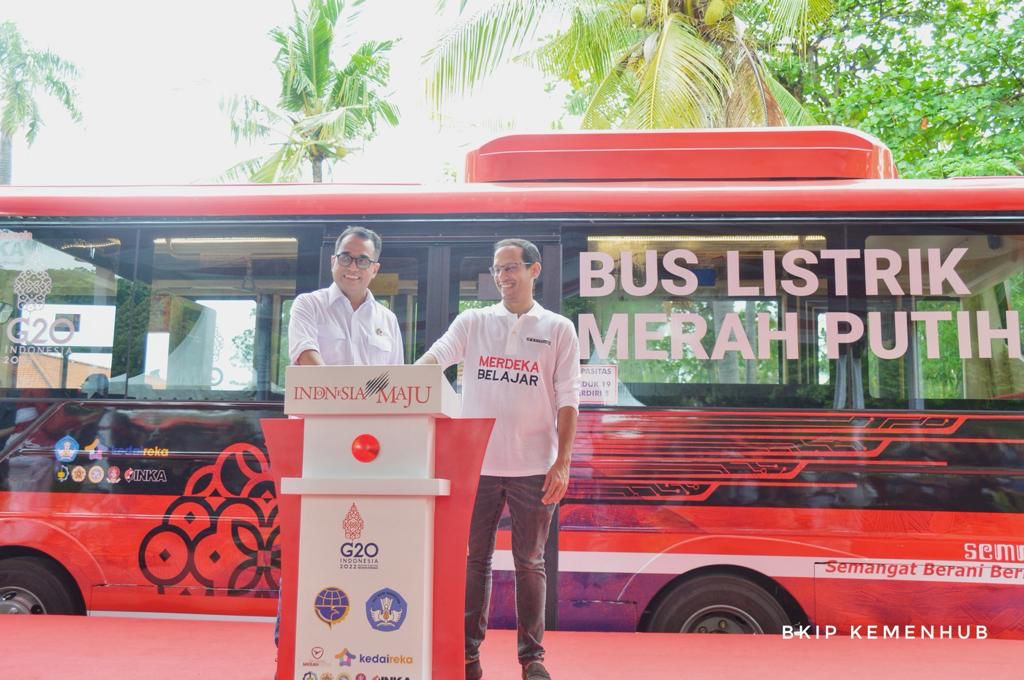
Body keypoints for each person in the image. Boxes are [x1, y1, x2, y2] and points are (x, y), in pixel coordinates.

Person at [416, 238, 580, 680]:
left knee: (530, 562)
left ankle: (533, 659)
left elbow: (568, 400)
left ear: (534, 270)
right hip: (477, 465)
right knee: (475, 560)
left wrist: (562, 462)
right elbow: (436, 359)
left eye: (511, 268)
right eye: (497, 269)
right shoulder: (473, 322)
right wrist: (398, 383)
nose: (503, 277)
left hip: (534, 467)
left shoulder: (559, 328)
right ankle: (469, 656)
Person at [275, 225, 404, 646]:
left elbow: (396, 384)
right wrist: (362, 394)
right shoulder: (308, 305)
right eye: (346, 257)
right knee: (310, 545)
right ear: (333, 262)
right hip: (319, 445)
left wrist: (366, 400)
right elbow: (306, 359)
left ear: (375, 269)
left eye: (362, 260)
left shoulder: (386, 319)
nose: (353, 266)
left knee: (367, 544)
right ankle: (290, 643)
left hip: (374, 452)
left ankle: (362, 641)